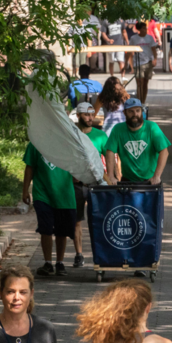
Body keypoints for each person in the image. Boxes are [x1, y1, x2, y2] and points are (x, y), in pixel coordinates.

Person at [22, 141, 77, 277]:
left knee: (61, 230)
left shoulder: (68, 143)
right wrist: (25, 190)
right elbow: (30, 167)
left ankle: (60, 262)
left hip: (64, 195)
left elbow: (77, 170)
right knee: (45, 228)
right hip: (42, 193)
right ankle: (48, 263)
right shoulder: (36, 143)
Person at [73, 102, 109, 267]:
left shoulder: (100, 136)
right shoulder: (71, 134)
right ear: (79, 116)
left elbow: (111, 156)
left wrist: (114, 176)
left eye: (92, 114)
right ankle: (79, 254)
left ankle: (101, 254)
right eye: (86, 115)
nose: (90, 118)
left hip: (96, 184)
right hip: (77, 184)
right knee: (77, 220)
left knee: (99, 219)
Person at [105, 98, 170, 186]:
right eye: (131, 111)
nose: (135, 114)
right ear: (124, 113)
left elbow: (164, 152)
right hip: (127, 180)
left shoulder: (152, 127)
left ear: (141, 111)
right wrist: (111, 176)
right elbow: (110, 151)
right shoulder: (118, 129)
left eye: (138, 111)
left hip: (150, 181)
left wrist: (157, 176)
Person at [128, 21, 158, 103]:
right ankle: (139, 101)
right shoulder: (134, 38)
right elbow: (130, 51)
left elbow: (154, 50)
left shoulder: (150, 38)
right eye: (144, 28)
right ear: (139, 29)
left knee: (145, 83)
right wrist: (129, 64)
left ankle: (143, 101)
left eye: (146, 28)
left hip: (148, 62)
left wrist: (155, 59)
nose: (145, 30)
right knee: (139, 83)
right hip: (138, 62)